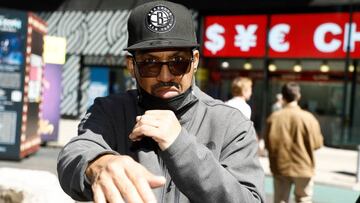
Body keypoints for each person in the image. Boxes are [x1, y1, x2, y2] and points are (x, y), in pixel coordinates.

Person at [57, 1, 265, 203]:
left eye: (178, 62)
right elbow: (76, 151)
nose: (165, 76)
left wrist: (180, 144)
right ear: (131, 65)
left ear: (195, 61)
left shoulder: (230, 123)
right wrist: (99, 163)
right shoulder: (111, 110)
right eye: (150, 63)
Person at [264, 82, 324, 203]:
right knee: (304, 199)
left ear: (283, 97)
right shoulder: (309, 118)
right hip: (303, 166)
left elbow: (267, 143)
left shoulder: (274, 117)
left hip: (281, 166)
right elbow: (318, 144)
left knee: (281, 200)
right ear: (299, 96)